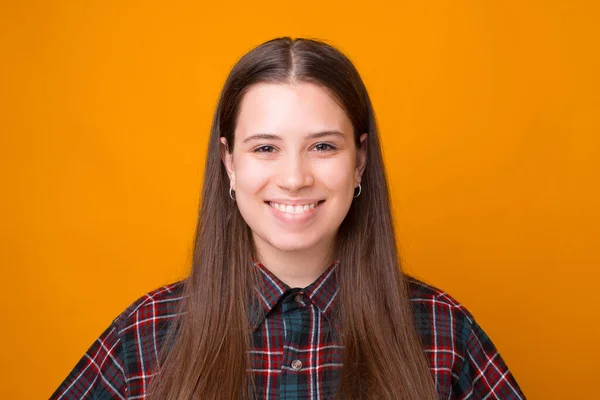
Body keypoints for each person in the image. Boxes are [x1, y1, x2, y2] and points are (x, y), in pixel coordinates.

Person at [51, 37, 525, 400]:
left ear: (359, 161)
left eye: (322, 146)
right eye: (265, 148)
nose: (294, 178)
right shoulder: (146, 334)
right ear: (229, 162)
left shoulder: (445, 331)